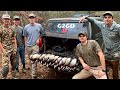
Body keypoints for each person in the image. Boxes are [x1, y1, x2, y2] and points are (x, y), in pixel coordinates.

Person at [79, 11, 120, 79]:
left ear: (113, 19)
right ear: (103, 19)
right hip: (106, 53)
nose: (107, 19)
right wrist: (85, 17)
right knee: (104, 69)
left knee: (115, 71)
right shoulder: (102, 25)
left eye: (109, 17)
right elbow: (94, 20)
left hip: (115, 53)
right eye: (105, 17)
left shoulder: (118, 28)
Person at [23, 13, 44, 79]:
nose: (32, 19)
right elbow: (25, 36)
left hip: (36, 46)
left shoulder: (39, 26)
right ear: (29, 19)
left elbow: (42, 34)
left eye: (33, 18)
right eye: (30, 18)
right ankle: (33, 71)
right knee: (30, 59)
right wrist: (26, 45)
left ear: (35, 19)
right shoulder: (26, 27)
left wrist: (39, 39)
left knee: (34, 60)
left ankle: (33, 75)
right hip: (28, 46)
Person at [0, 14, 17, 79]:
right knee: (5, 67)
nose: (6, 20)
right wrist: (3, 50)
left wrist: (15, 47)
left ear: (9, 20)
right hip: (5, 50)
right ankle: (3, 77)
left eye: (7, 19)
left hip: (12, 49)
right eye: (5, 19)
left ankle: (13, 76)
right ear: (2, 20)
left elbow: (14, 38)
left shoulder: (11, 28)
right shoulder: (1, 29)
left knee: (14, 65)